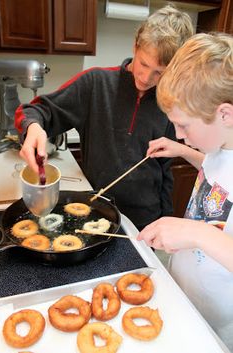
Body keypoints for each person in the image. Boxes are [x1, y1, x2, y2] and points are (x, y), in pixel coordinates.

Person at [15, 5, 194, 230]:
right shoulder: (95, 83)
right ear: (135, 47)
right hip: (95, 213)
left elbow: (165, 169)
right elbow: (35, 111)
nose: (147, 77)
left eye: (160, 72)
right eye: (144, 64)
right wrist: (33, 127)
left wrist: (166, 218)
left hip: (145, 220)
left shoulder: (170, 103)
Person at [138, 32, 233, 351]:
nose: (179, 133)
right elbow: (220, 179)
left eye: (185, 126)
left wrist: (198, 233)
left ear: (225, 114)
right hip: (185, 292)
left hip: (218, 323)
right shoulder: (221, 143)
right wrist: (185, 151)